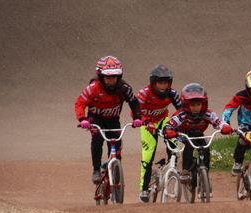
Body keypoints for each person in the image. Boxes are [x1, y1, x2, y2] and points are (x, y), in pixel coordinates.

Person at [75, 55, 143, 183]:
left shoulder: (124, 89)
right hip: (95, 119)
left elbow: (134, 102)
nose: (111, 81)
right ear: (101, 77)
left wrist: (137, 118)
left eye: (114, 77)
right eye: (108, 77)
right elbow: (80, 103)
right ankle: (96, 170)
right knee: (97, 139)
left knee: (116, 143)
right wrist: (82, 119)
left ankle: (115, 167)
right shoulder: (93, 88)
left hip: (113, 119)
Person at [164, 83, 232, 185]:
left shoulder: (208, 114)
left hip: (199, 134)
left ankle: (205, 174)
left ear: (204, 104)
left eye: (198, 104)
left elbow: (218, 122)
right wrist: (169, 131)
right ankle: (185, 170)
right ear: (186, 105)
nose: (196, 108)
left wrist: (225, 127)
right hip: (183, 135)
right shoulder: (181, 115)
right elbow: (169, 125)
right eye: (192, 105)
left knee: (205, 148)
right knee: (189, 144)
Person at [136, 65, 183, 203]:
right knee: (148, 153)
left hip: (163, 119)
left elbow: (182, 110)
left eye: (166, 83)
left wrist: (180, 122)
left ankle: (172, 165)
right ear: (153, 83)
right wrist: (145, 122)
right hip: (147, 123)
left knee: (173, 143)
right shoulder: (144, 93)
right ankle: (143, 189)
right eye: (160, 83)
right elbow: (135, 112)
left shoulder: (172, 93)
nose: (163, 86)